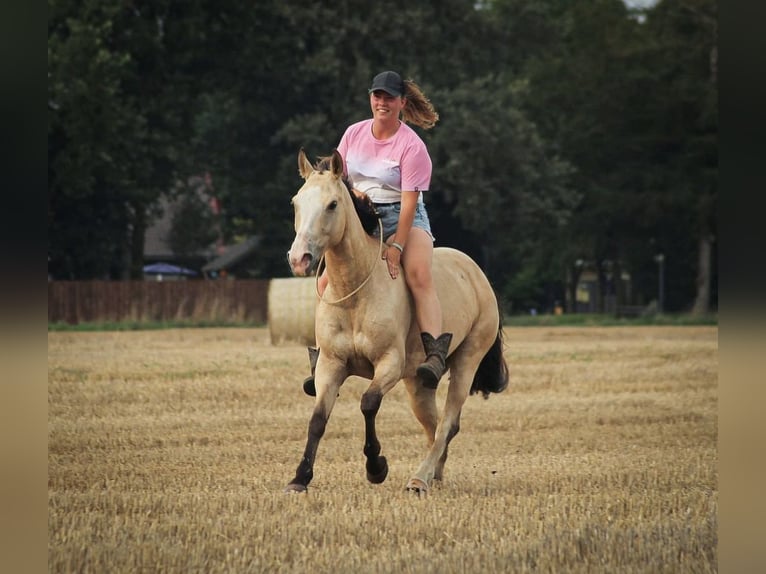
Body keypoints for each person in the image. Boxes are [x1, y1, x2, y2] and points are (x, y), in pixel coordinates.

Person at [302, 70, 452, 396]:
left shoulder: (412, 146)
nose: (381, 102)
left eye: (388, 97)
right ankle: (321, 355)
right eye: (377, 96)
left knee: (418, 275)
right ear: (371, 98)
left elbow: (410, 202)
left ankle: (435, 355)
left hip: (404, 214)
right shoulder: (354, 134)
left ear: (401, 102)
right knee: (326, 282)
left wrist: (398, 243)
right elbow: (338, 181)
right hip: (361, 214)